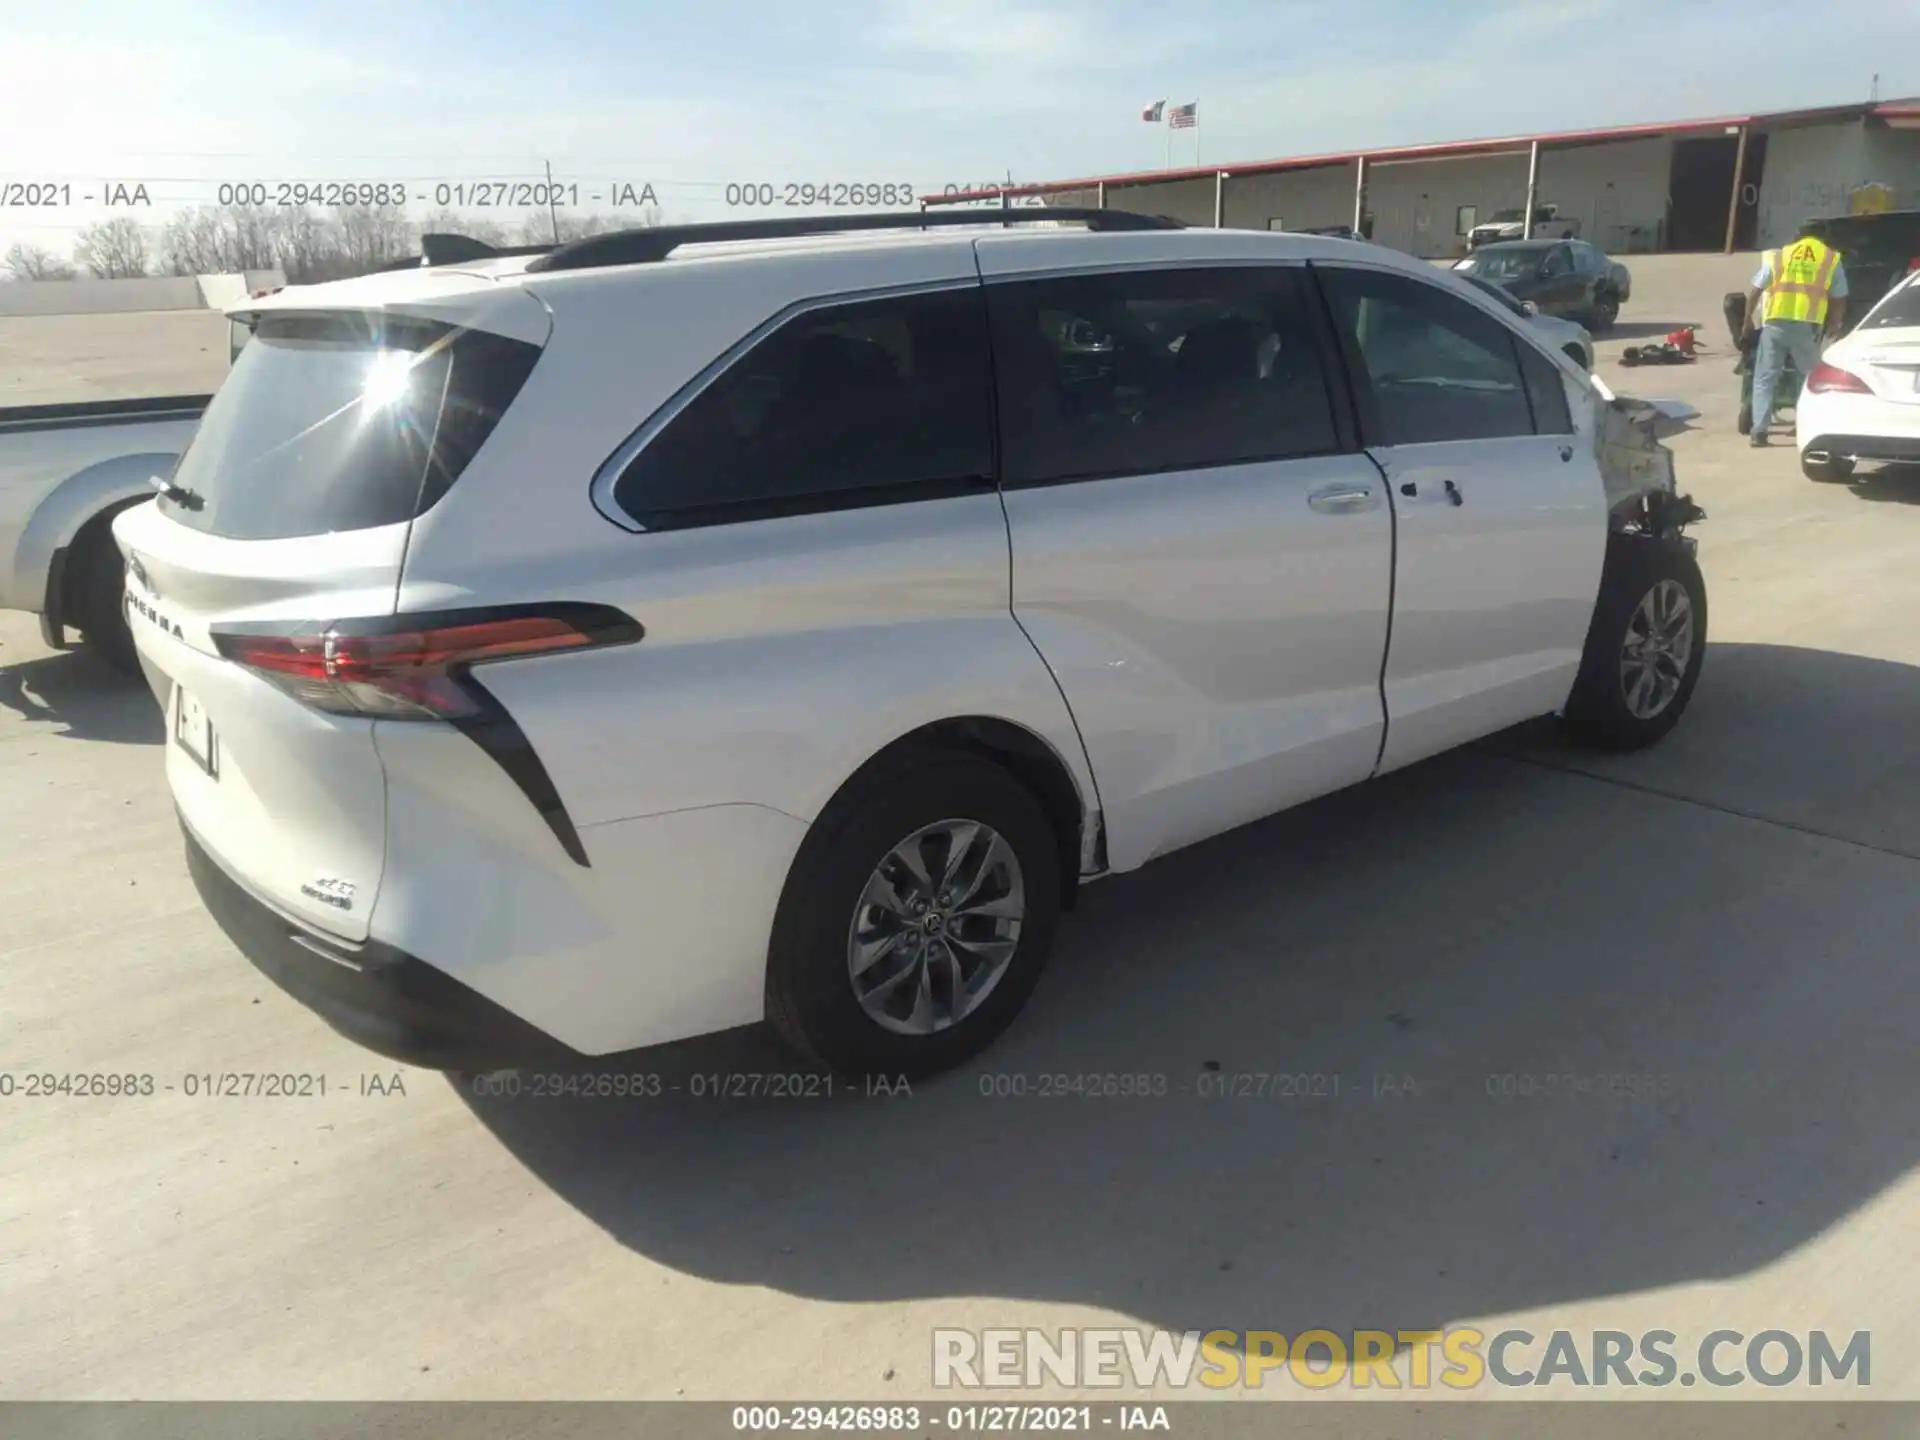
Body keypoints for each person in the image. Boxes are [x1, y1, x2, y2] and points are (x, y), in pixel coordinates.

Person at [1742, 223, 1848, 446]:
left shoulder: (1782, 254)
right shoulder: (1830, 258)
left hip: (1775, 323)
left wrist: (1747, 320)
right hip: (1806, 326)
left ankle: (1759, 431)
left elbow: (1756, 288)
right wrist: (1835, 324)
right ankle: (1804, 425)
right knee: (1809, 377)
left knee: (1764, 377)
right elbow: (1839, 297)